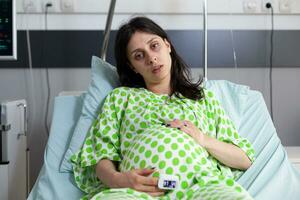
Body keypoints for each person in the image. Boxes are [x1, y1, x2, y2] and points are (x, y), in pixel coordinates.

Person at [71, 16, 255, 200]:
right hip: (134, 192)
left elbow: (243, 159)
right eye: (139, 55)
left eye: (154, 45)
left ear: (167, 45)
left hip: (199, 187)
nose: (151, 58)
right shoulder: (120, 99)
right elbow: (100, 155)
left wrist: (202, 139)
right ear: (132, 66)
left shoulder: (203, 98)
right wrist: (119, 180)